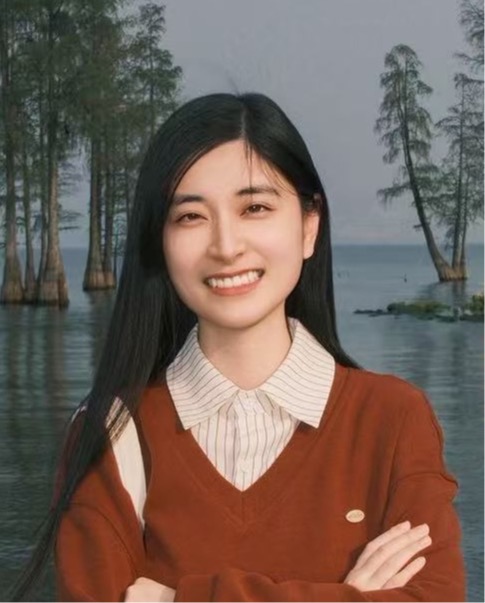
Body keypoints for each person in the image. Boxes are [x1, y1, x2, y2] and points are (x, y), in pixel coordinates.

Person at [12, 93, 465, 602]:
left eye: (255, 208)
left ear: (309, 226)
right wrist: (345, 595)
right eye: (190, 216)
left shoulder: (394, 419)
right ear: (160, 243)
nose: (226, 246)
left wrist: (170, 598)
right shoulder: (111, 432)